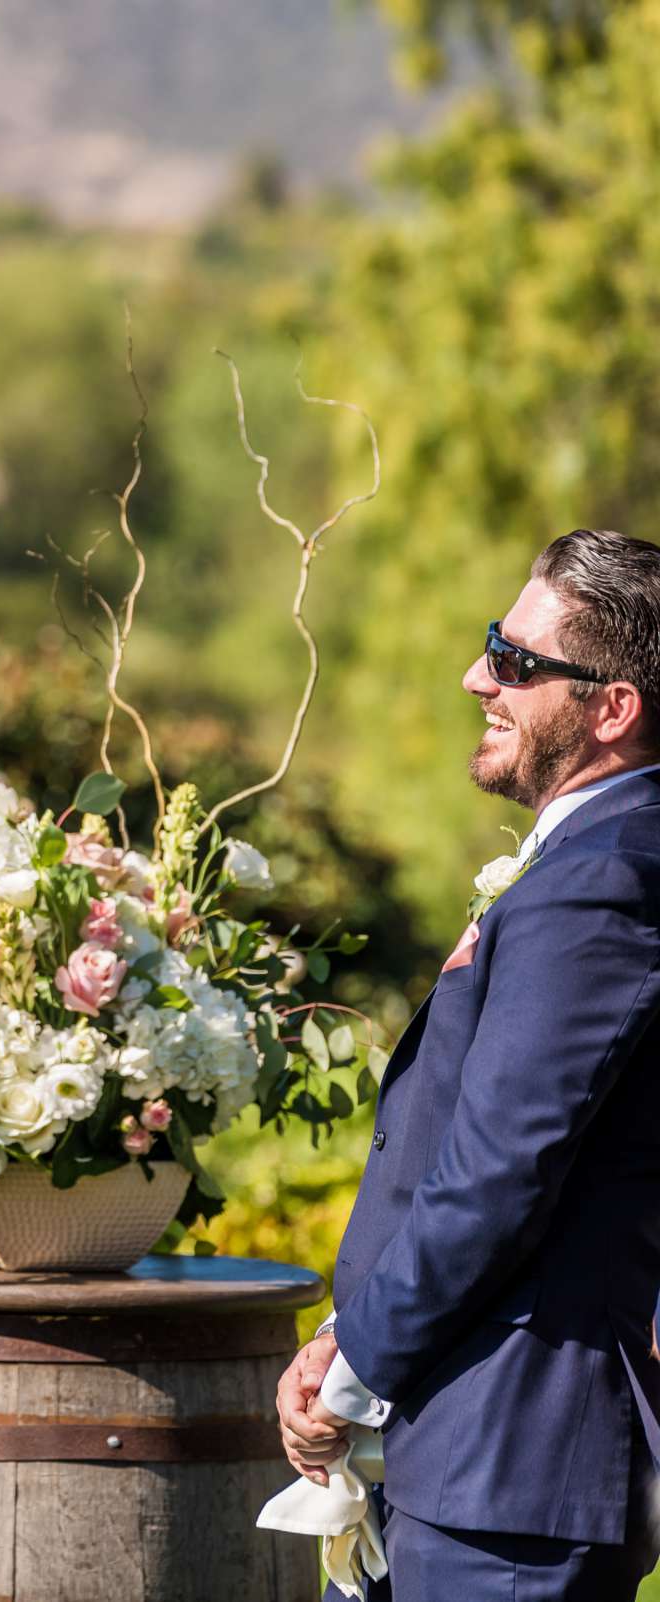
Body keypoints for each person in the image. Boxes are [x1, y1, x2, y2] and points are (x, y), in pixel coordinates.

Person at [276, 528, 660, 1600]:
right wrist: (348, 1335)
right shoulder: (591, 859)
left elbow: (498, 1170)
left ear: (612, 708)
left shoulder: (607, 880)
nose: (477, 675)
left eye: (517, 657)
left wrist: (350, 1375)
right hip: (466, 1447)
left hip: (518, 1466)